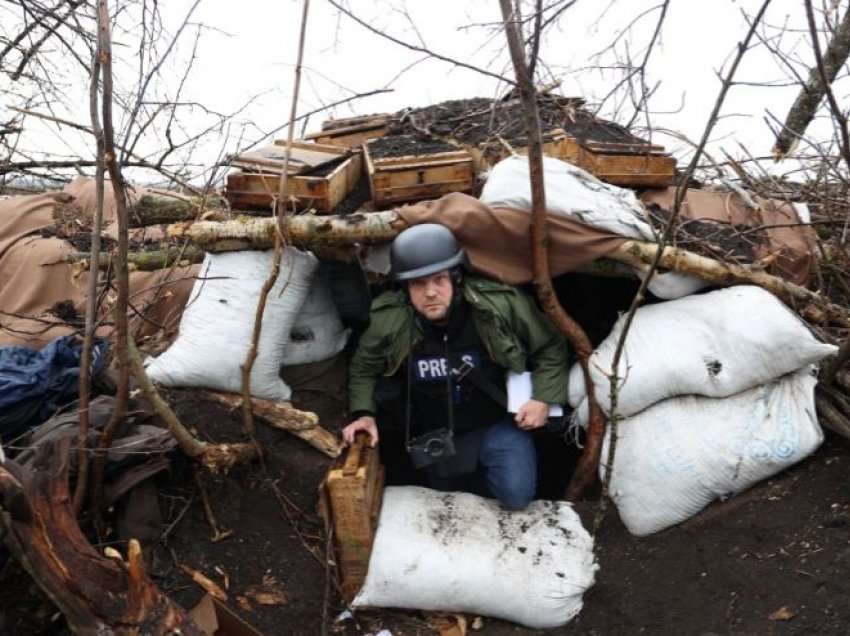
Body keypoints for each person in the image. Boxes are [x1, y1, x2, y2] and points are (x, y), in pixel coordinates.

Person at [341, 223, 569, 510]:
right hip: (433, 435)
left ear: (456, 278)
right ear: (405, 289)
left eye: (439, 280)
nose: (431, 293)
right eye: (418, 284)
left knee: (515, 495)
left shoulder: (497, 307)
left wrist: (543, 398)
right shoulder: (390, 320)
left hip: (496, 425)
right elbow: (364, 367)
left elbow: (550, 346)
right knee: (445, 504)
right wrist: (364, 413)